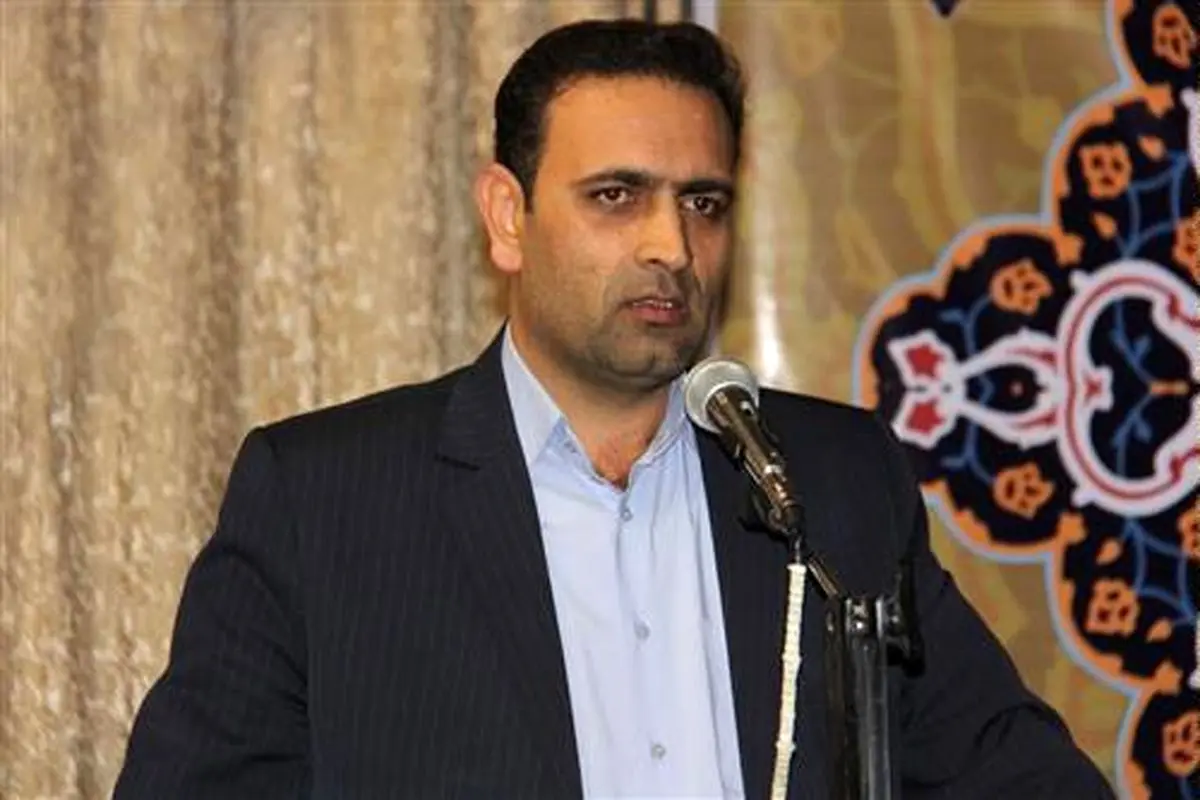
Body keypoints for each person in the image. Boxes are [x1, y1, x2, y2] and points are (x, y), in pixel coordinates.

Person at [114, 18, 1114, 800]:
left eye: (703, 203)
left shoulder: (830, 480)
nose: (671, 247)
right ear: (507, 216)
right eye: (616, 196)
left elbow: (1015, 773)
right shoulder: (325, 500)